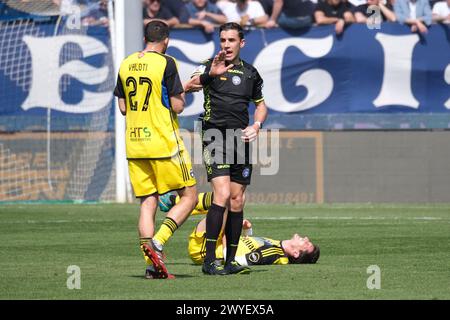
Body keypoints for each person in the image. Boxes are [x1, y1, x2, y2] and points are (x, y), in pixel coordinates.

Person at [114, 21, 199, 279]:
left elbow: (123, 107)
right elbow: (177, 106)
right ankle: (159, 243)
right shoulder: (166, 62)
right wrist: (185, 90)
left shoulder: (126, 63)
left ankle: (152, 265)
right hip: (164, 142)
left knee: (147, 204)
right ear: (167, 40)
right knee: (190, 196)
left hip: (135, 144)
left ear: (144, 38)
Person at [188, 22, 268, 275]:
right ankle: (210, 260)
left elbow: (262, 105)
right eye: (223, 40)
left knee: (237, 199)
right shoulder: (209, 64)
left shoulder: (251, 73)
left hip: (240, 139)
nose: (226, 45)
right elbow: (187, 85)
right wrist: (210, 74)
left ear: (241, 43)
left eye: (231, 40)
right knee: (221, 194)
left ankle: (231, 260)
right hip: (214, 135)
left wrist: (256, 125)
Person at [159, 192, 321, 266]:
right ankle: (178, 202)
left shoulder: (274, 254)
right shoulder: (276, 245)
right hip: (214, 244)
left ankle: (176, 201)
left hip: (208, 250)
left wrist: (227, 233)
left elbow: (236, 261)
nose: (306, 238)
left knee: (225, 200)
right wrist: (246, 231)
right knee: (225, 199)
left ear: (296, 253)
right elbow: (246, 246)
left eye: (307, 244)